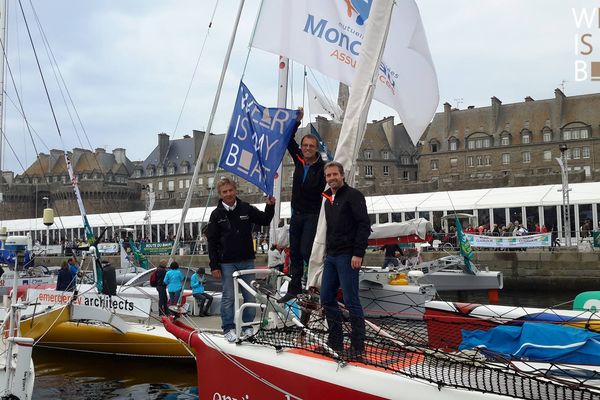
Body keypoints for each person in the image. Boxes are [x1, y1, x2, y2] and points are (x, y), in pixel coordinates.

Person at [206, 177, 275, 343]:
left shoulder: (246, 208)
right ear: (220, 194)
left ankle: (247, 327)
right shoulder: (216, 215)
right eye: (225, 192)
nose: (228, 194)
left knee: (250, 296)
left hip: (247, 260)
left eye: (231, 190)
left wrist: (270, 206)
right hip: (227, 263)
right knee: (229, 297)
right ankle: (228, 328)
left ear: (235, 190)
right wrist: (214, 265)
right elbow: (212, 241)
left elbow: (265, 219)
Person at [320, 161, 370, 358]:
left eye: (335, 174)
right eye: (328, 176)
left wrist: (358, 253)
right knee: (326, 298)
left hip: (348, 255)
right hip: (331, 256)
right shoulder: (327, 200)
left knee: (351, 300)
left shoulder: (353, 196)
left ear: (342, 176)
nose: (332, 178)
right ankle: (336, 342)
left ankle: (358, 347)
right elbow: (330, 230)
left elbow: (364, 225)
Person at [280, 108, 327, 304]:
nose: (307, 148)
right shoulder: (299, 159)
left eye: (311, 146)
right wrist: (297, 121)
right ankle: (294, 287)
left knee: (308, 250)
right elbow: (287, 139)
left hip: (312, 214)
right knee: (295, 252)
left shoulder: (323, 167)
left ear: (316, 148)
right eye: (305, 145)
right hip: (297, 213)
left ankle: (315, 285)